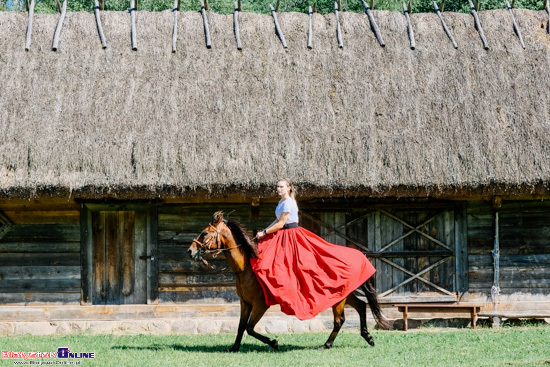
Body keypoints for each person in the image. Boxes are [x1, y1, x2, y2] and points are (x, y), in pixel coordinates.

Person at [250, 178, 376, 321]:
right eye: (277, 187)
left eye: (281, 187)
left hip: (291, 236)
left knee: (297, 265)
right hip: (282, 235)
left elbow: (281, 223)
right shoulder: (280, 202)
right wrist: (265, 230)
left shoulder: (289, 203)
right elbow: (277, 221)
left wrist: (265, 233)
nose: (278, 189)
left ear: (289, 188)